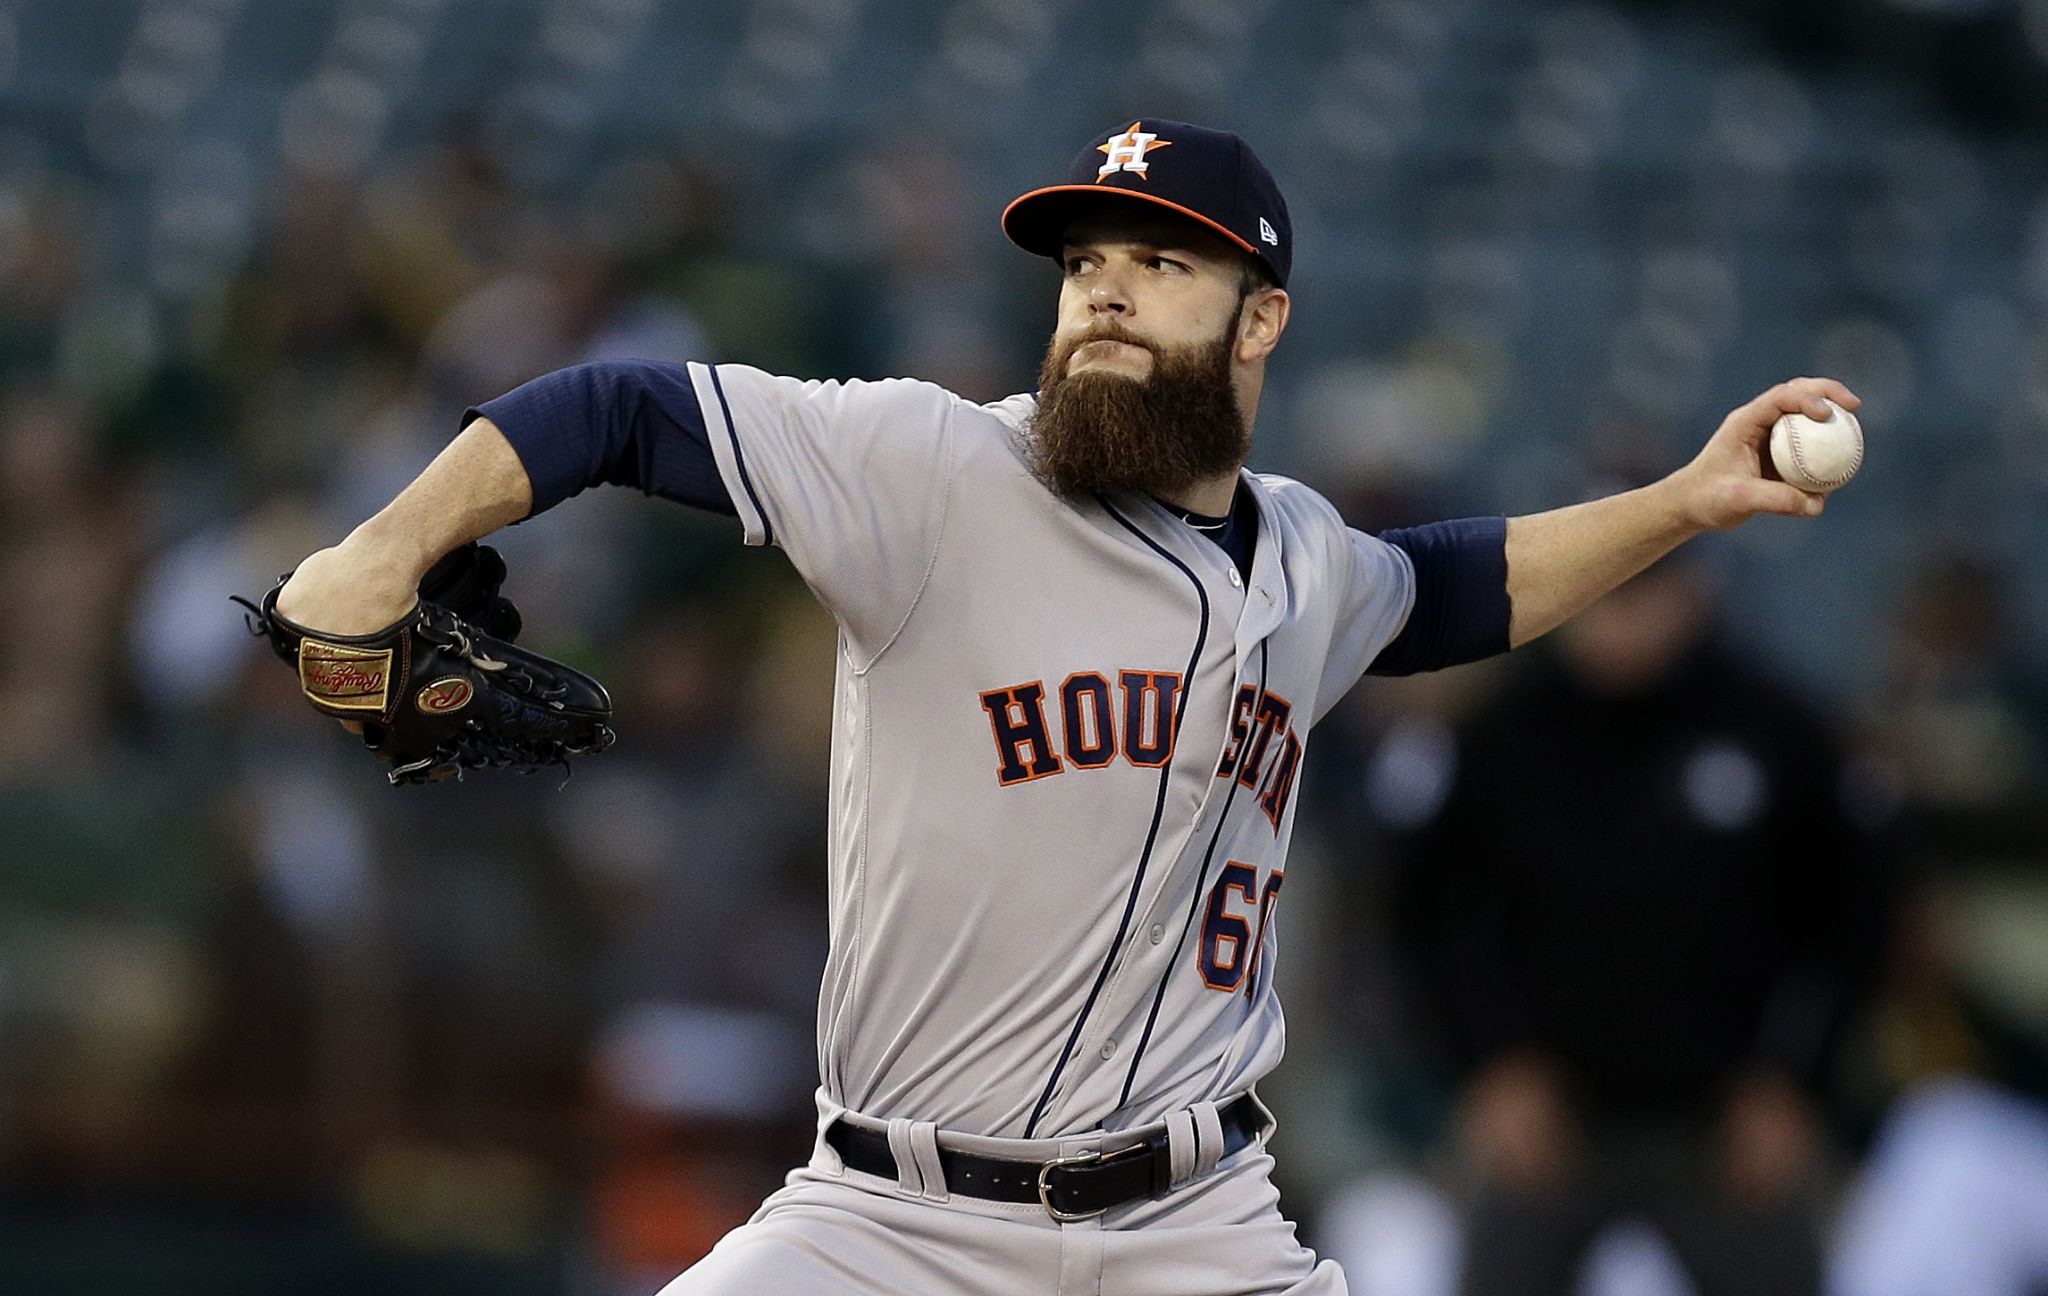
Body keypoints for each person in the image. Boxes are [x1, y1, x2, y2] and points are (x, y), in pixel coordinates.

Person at [268, 119, 1858, 1295]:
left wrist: (1685, 502)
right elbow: (619, 407)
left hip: (1196, 1228)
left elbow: (1454, 586)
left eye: (1159, 264)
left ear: (1262, 319)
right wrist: (382, 546)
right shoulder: (935, 470)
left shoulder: (1308, 561)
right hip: (890, 1225)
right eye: (1085, 264)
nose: (1102, 295)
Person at [1387, 552, 1889, 1296]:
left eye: (1642, 589)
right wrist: (1487, 1065)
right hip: (1548, 1123)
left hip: (1727, 1127)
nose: (1618, 615)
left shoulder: (1774, 726)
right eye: (1600, 586)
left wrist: (1797, 1081)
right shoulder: (1501, 733)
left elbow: (1853, 918)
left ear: (1694, 590)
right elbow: (1427, 914)